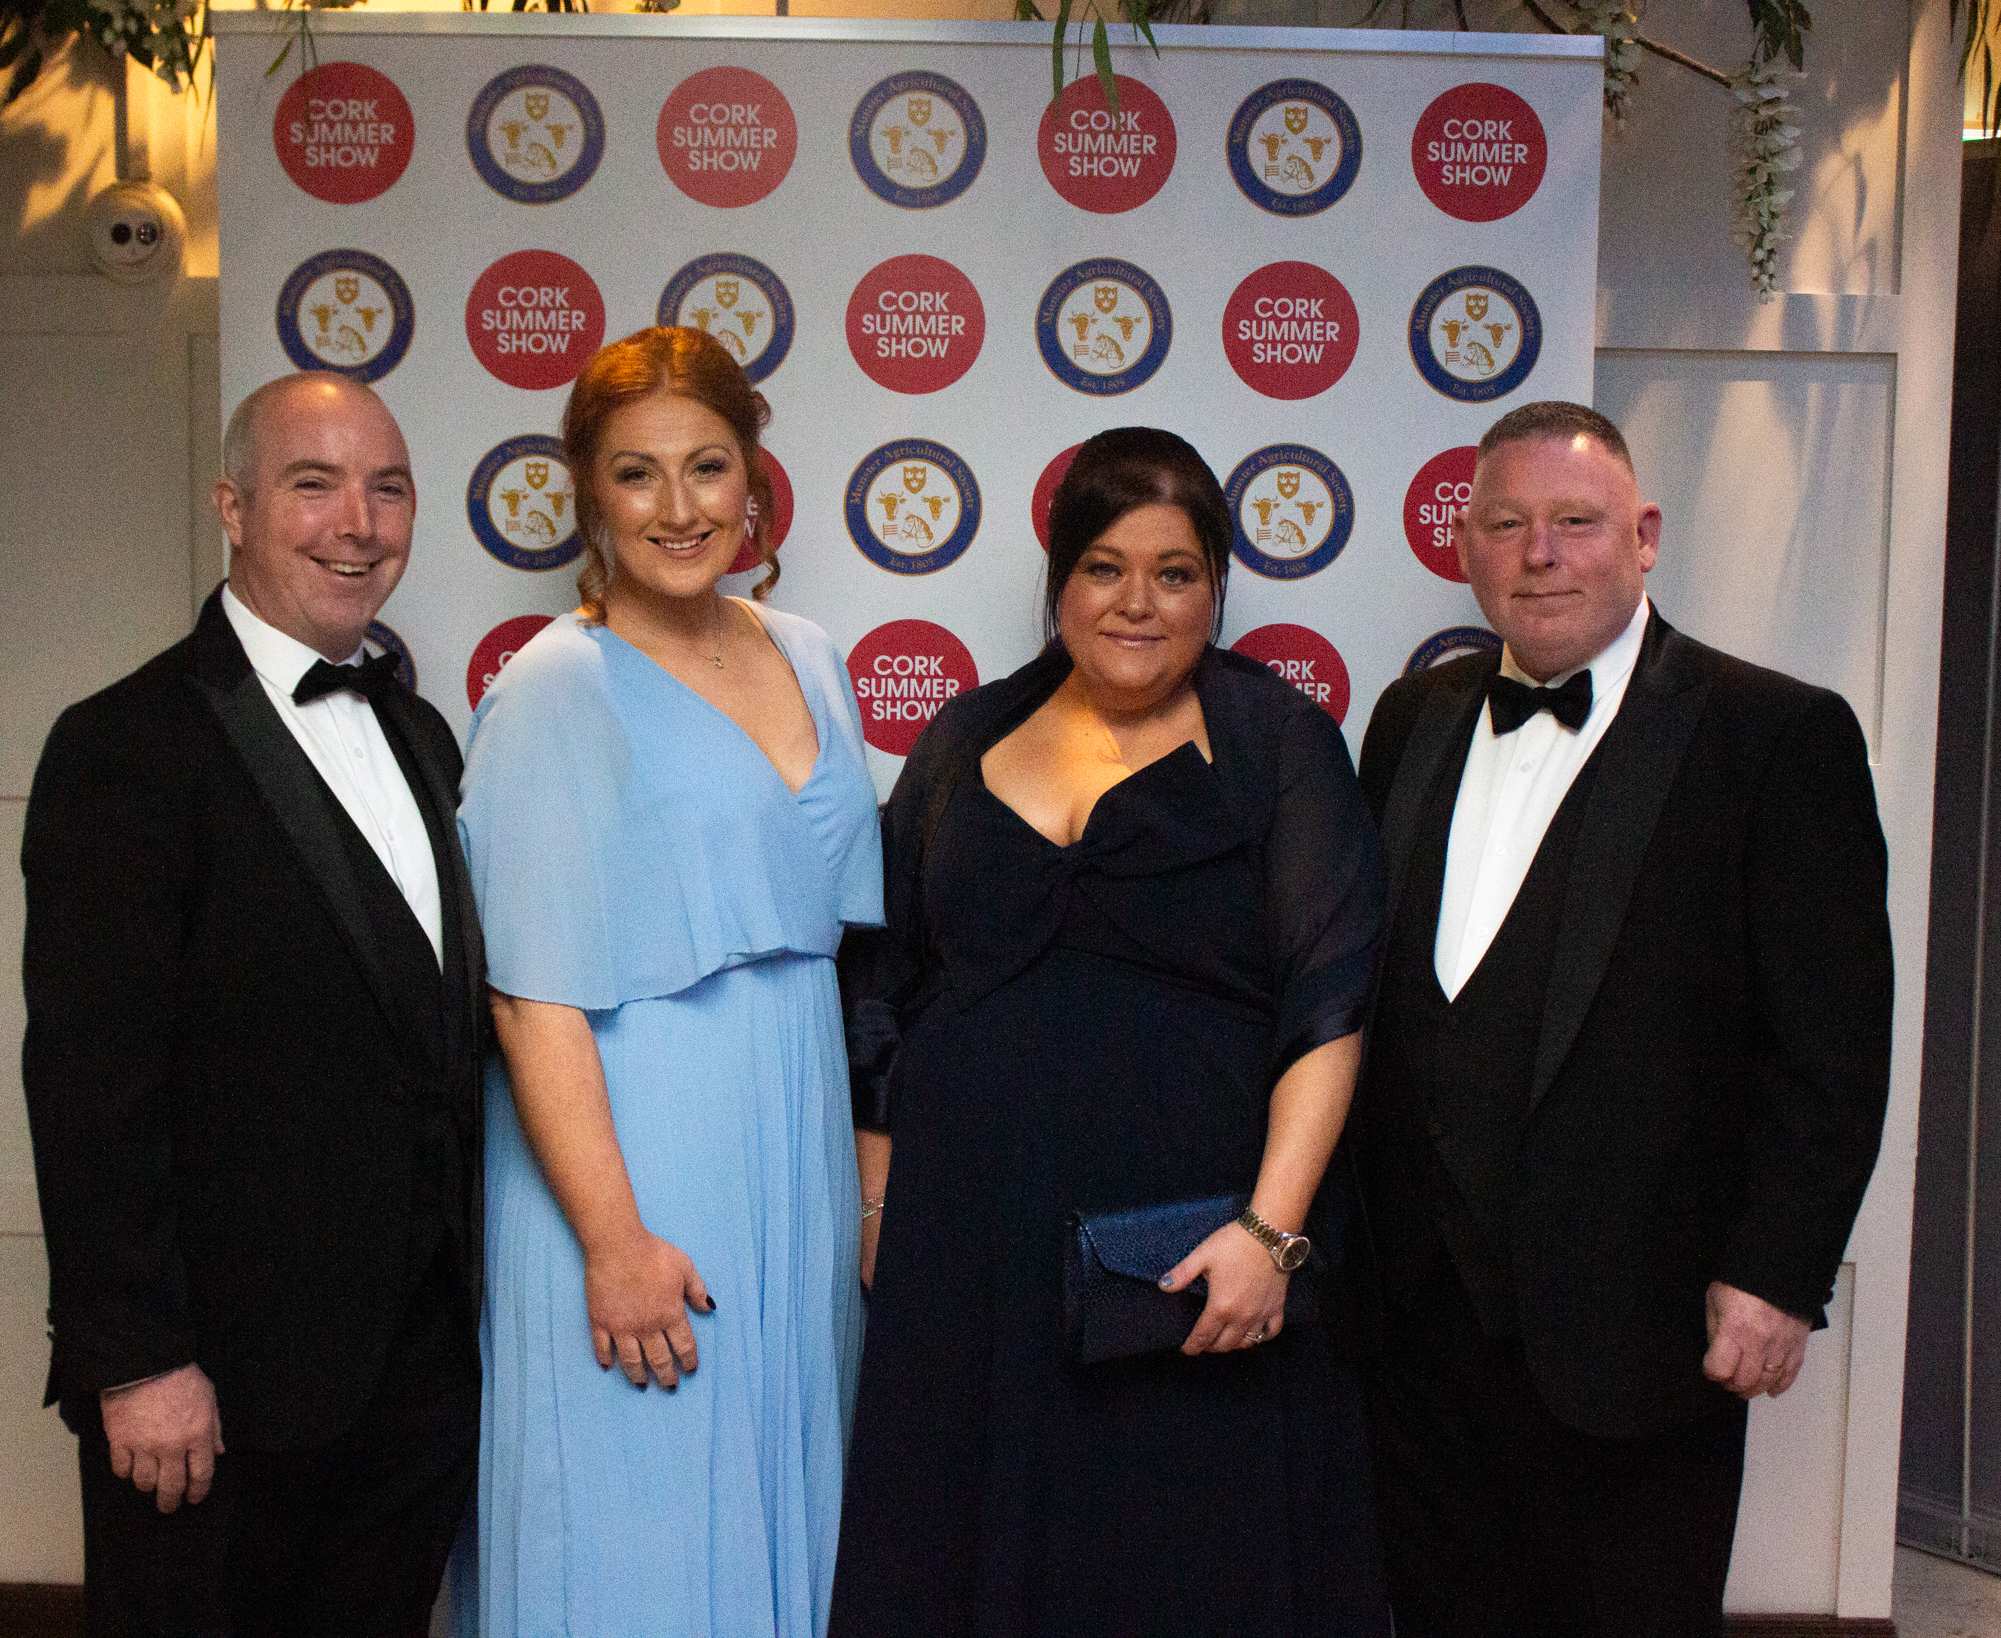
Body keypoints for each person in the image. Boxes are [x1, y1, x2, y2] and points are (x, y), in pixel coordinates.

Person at [831, 427, 1389, 1637]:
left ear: (1215, 589)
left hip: (1179, 1254)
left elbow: (1329, 1004)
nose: (1136, 602)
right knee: (958, 1546)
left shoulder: (1276, 746)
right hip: (967, 1243)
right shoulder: (964, 736)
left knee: (1171, 1558)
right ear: (1059, 579)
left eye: (1174, 572)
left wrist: (1270, 1234)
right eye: (1103, 567)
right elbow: (881, 986)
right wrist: (879, 1209)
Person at [1350, 401, 1894, 1637]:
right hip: (1413, 1330)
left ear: (1641, 536)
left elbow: (1830, 1047)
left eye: (1574, 522)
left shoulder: (1774, 734)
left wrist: (1775, 1275)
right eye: (1505, 524)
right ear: (1464, 547)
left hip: (1640, 1330)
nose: (1538, 553)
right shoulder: (1409, 719)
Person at [21, 372, 485, 1634]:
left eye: (387, 489)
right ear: (232, 507)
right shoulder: (124, 744)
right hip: (211, 1390)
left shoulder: (424, 737)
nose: (358, 524)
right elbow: (89, 1086)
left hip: (417, 1382)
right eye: (312, 485)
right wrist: (137, 1361)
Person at [453, 327, 882, 1636]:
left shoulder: (810, 653)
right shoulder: (552, 685)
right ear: (591, 494)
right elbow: (527, 996)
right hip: (633, 1165)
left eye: (707, 466)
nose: (679, 507)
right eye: (637, 474)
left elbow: (856, 947)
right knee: (635, 1524)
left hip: (792, 1149)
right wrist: (613, 1240)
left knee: (782, 1492)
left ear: (753, 478)